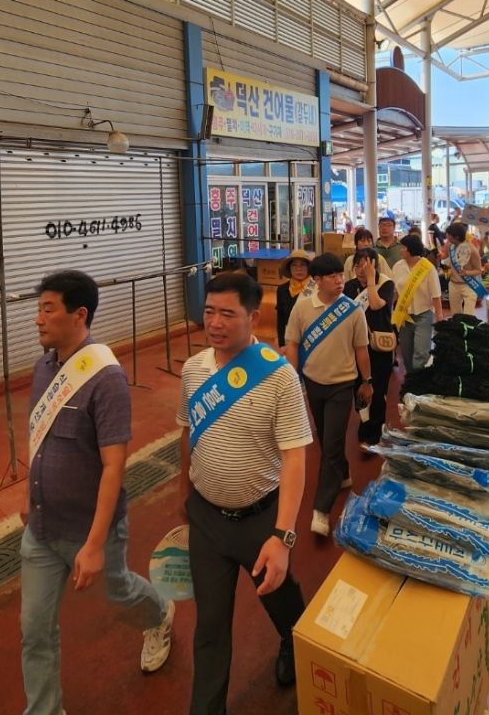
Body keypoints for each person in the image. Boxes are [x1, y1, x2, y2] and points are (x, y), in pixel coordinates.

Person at [22, 271, 173, 714]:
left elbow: (113, 467)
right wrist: (26, 499)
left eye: (48, 309)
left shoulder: (105, 378)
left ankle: (159, 614)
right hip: (42, 528)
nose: (38, 319)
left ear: (79, 314)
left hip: (92, 530)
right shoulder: (43, 368)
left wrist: (92, 545)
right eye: (39, 309)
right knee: (34, 628)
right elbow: (38, 439)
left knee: (119, 593)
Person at [177, 272, 312, 713]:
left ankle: (294, 644)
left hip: (260, 522)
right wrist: (186, 495)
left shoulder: (279, 377)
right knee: (210, 628)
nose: (214, 322)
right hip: (207, 521)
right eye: (209, 311)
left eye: (227, 314)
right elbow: (187, 435)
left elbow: (294, 459)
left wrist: (283, 537)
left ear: (253, 317)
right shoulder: (193, 370)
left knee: (281, 602)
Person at [286, 254, 371, 536]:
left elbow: (361, 350)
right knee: (326, 440)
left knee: (332, 445)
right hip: (313, 384)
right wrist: (291, 381)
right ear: (317, 280)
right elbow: (293, 343)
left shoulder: (353, 310)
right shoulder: (302, 308)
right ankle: (344, 474)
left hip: (342, 386)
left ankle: (321, 510)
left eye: (340, 275)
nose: (339, 281)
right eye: (332, 276)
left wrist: (366, 382)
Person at [344, 247, 396, 447]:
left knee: (378, 388)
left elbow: (375, 304)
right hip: (355, 347)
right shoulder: (349, 286)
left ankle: (375, 429)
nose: (360, 269)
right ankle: (364, 423)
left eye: (365, 265)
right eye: (357, 265)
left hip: (379, 348)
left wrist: (372, 281)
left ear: (374, 266)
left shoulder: (386, 284)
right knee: (358, 387)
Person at [392, 234, 444, 372]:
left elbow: (436, 295)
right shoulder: (397, 267)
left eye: (402, 247)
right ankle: (411, 380)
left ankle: (418, 386)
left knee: (421, 353)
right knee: (406, 353)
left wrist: (439, 316)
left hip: (424, 314)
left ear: (409, 250)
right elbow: (396, 292)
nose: (400, 250)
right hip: (404, 316)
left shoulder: (427, 268)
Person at [444, 222, 485, 316]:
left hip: (469, 285)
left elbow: (478, 270)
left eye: (449, 235)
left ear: (456, 237)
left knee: (468, 317)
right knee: (456, 316)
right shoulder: (451, 247)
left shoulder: (472, 249)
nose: (447, 237)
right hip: (454, 284)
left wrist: (466, 272)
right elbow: (446, 261)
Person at [275, 249, 314, 348]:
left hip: (311, 339)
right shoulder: (282, 289)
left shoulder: (316, 288)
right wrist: (282, 344)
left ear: (308, 268)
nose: (298, 269)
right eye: (294, 265)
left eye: (302, 265)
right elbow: (281, 319)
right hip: (290, 339)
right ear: (289, 268)